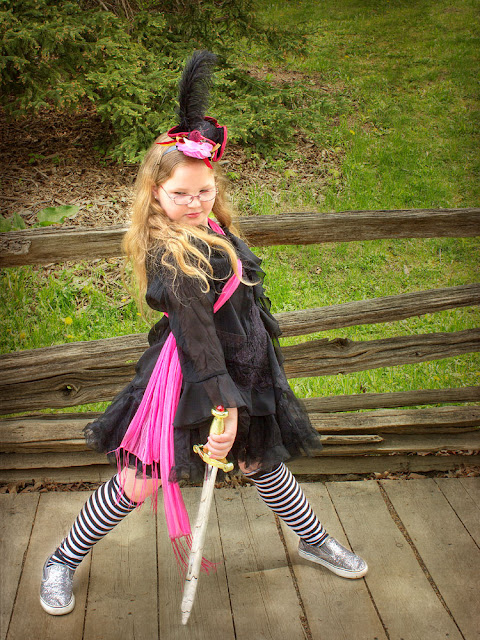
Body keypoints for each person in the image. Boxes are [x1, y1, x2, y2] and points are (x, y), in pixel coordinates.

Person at [40, 51, 367, 617]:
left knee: (262, 462)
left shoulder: (214, 225)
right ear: (155, 196)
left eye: (204, 191)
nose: (194, 204)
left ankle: (312, 541)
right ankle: (61, 561)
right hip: (194, 379)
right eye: (180, 195)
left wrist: (250, 383)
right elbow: (197, 339)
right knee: (138, 481)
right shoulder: (171, 254)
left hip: (245, 366)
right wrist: (226, 408)